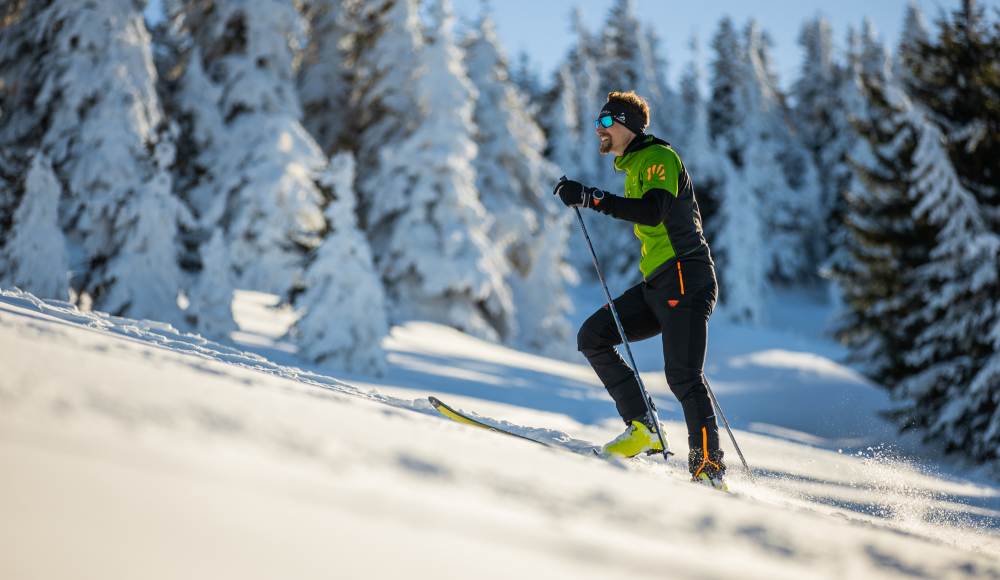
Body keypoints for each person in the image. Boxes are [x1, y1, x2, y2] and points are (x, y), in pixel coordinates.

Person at [553, 91, 726, 490]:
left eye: (607, 122)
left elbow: (653, 210)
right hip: (658, 283)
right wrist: (590, 196)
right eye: (598, 122)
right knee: (592, 336)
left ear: (627, 125)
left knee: (683, 376)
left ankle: (708, 469)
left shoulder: (659, 158)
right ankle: (643, 428)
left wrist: (591, 197)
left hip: (686, 275)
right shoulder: (633, 166)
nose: (599, 129)